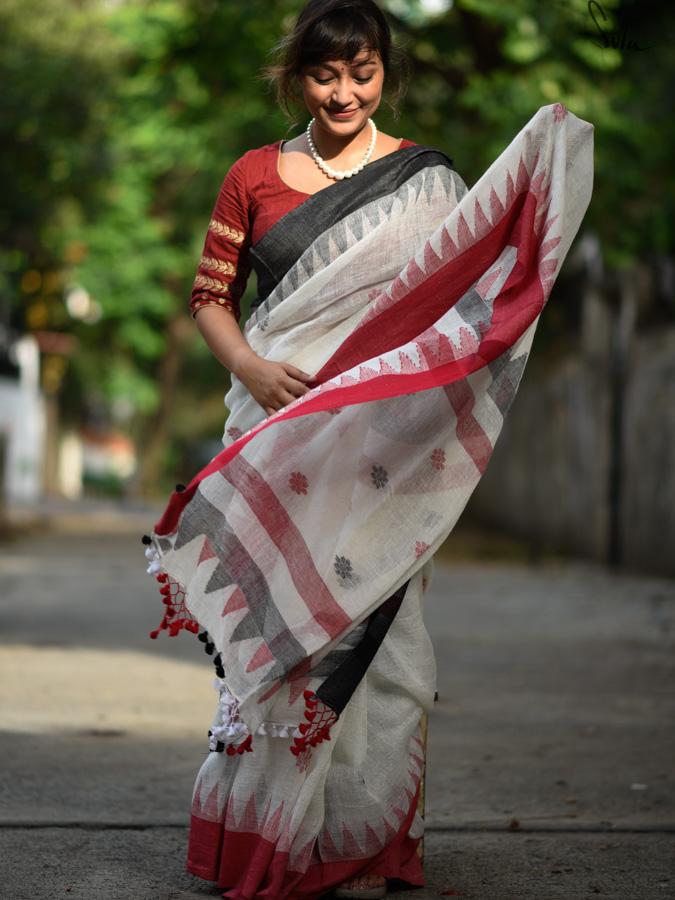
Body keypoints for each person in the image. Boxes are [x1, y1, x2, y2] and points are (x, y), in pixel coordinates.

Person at [143, 1, 595, 897]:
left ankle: (366, 840)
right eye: (323, 75)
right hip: (279, 435)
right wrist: (256, 369)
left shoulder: (425, 183)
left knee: (385, 646)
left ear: (384, 70)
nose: (343, 92)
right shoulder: (253, 175)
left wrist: (542, 170)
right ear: (295, 77)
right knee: (277, 645)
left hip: (384, 452)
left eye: (362, 72)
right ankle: (274, 837)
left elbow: (460, 294)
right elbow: (209, 295)